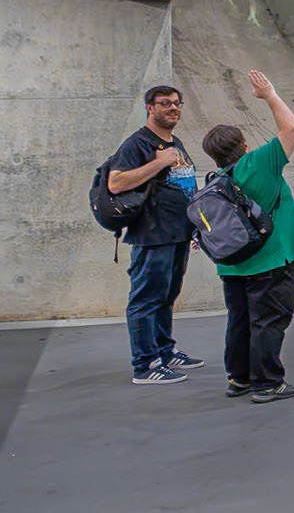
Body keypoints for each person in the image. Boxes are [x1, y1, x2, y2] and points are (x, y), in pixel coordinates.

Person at [201, 70, 294, 403]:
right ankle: (267, 383)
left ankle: (239, 379)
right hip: (272, 258)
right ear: (244, 145)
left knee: (240, 321)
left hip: (233, 265)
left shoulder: (216, 180)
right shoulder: (258, 164)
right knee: (270, 320)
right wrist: (270, 95)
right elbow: (291, 128)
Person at [106, 85, 204, 385]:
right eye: (165, 104)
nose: (173, 108)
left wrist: (196, 225)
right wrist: (159, 162)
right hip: (153, 235)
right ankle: (145, 365)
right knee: (146, 299)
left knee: (166, 296)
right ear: (149, 107)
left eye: (176, 103)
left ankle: (164, 350)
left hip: (178, 234)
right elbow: (115, 183)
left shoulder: (175, 141)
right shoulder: (137, 144)